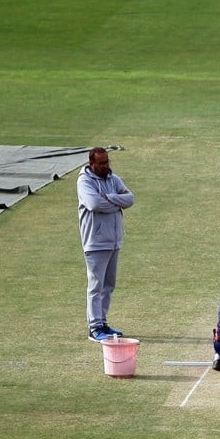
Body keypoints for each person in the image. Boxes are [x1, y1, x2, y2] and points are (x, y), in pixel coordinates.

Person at [77, 146, 135, 341]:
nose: (105, 166)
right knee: (95, 285)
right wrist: (117, 203)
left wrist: (109, 198)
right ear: (91, 163)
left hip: (114, 241)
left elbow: (130, 199)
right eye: (101, 163)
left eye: (107, 162)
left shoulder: (113, 179)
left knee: (108, 284)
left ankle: (102, 322)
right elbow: (94, 204)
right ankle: (94, 328)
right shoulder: (84, 181)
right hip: (95, 242)